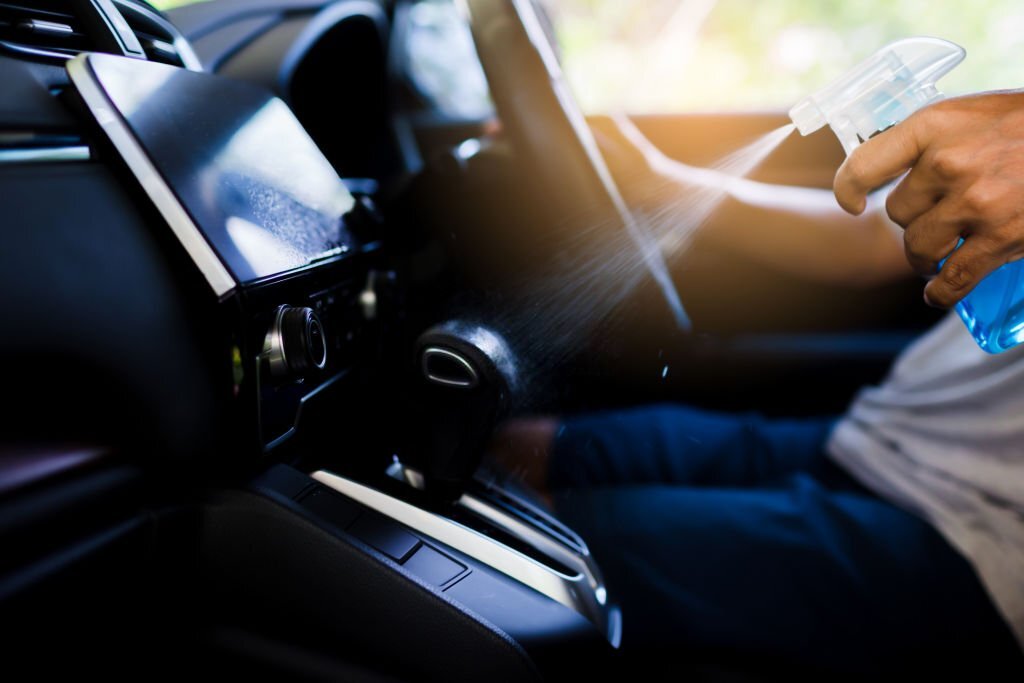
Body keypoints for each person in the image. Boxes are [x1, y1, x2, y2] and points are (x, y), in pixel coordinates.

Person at [490, 94, 1024, 678]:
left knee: (523, 545)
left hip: (977, 542)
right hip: (879, 437)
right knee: (521, 451)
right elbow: (871, 241)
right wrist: (658, 179)